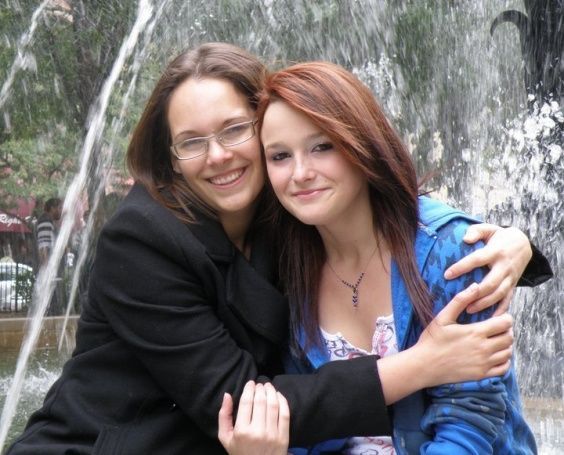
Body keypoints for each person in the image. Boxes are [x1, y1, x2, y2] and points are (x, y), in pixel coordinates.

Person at [7, 43, 549, 455]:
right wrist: (421, 365)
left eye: (234, 130)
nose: (218, 156)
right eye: (192, 142)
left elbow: (386, 208)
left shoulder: (289, 218)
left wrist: (514, 240)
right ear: (171, 158)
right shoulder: (143, 239)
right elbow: (241, 402)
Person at [222, 61, 542, 454]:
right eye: (280, 156)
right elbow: (308, 425)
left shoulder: (450, 252)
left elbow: (471, 422)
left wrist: (520, 241)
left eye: (322, 147)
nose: (300, 173)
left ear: (363, 143)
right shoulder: (287, 267)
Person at [36, 197, 62, 267]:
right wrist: (47, 267)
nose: (61, 211)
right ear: (52, 208)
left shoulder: (46, 220)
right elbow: (44, 245)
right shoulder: (46, 220)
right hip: (47, 266)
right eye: (59, 208)